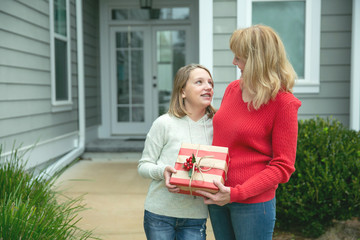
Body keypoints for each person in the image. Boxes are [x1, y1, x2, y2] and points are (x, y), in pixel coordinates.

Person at [196, 24, 302, 240]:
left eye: (240, 57)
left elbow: (283, 166)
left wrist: (236, 193)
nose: (234, 62)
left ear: (258, 60)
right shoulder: (233, 89)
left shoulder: (284, 103)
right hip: (217, 197)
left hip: (252, 205)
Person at [138, 63, 216, 240]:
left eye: (210, 83)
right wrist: (162, 170)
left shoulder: (217, 125)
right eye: (199, 82)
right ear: (182, 91)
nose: (208, 87)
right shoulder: (164, 123)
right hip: (160, 214)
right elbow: (144, 166)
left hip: (195, 217)